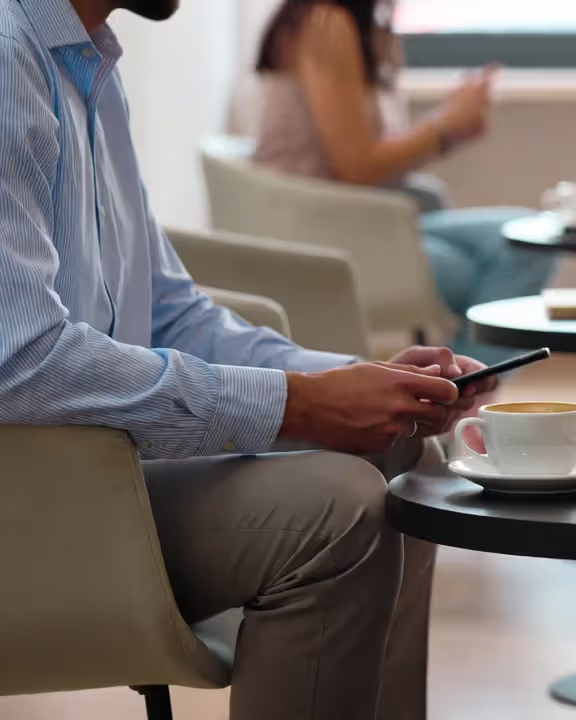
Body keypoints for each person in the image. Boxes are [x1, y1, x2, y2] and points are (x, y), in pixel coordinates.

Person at [0, 0, 499, 717]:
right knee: (341, 511)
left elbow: (172, 312)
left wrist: (354, 384)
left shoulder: (87, 69)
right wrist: (300, 406)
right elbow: (18, 362)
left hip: (93, 472)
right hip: (29, 498)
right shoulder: (6, 56)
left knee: (404, 456)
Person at [252, 0, 558, 366]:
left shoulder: (365, 24)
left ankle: (459, 395)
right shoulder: (326, 21)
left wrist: (451, 125)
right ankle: (460, 398)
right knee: (493, 268)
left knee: (531, 239)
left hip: (364, 220)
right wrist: (446, 125)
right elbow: (356, 166)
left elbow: (369, 153)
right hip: (319, 233)